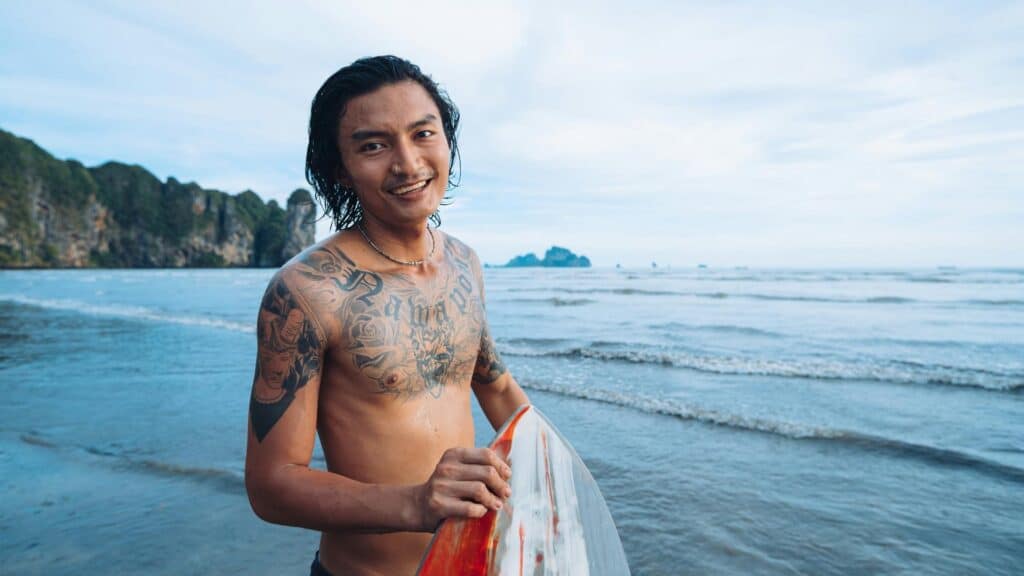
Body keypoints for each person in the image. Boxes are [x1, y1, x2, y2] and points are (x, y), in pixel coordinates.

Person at [244, 55, 530, 576]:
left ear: (447, 141)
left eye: (423, 133)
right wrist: (416, 503)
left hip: (472, 565)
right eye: (373, 145)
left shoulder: (464, 263)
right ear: (339, 167)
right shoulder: (308, 291)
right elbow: (271, 486)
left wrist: (554, 486)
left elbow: (499, 390)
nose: (407, 163)